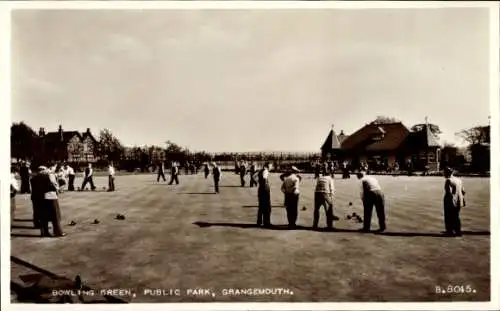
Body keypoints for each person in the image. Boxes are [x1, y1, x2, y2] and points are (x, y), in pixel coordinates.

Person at [39, 166, 66, 237]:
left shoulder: (36, 177)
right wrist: (58, 189)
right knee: (55, 216)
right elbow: (54, 185)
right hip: (51, 196)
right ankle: (58, 232)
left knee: (45, 216)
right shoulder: (50, 175)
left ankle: (44, 232)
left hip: (43, 197)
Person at [443, 167, 466, 237]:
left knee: (448, 217)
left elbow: (448, 192)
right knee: (456, 216)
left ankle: (450, 231)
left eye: (444, 173)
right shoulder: (459, 180)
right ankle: (458, 231)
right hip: (459, 200)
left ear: (447, 173)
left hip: (451, 201)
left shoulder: (448, 180)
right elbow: (463, 191)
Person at [256, 162, 272, 227]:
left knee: (261, 207)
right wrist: (265, 186)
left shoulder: (261, 170)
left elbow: (254, 176)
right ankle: (266, 222)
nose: (271, 167)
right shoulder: (265, 171)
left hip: (261, 189)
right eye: (271, 165)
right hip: (264, 190)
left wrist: (259, 183)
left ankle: (259, 222)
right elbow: (264, 178)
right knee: (267, 207)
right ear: (267, 166)